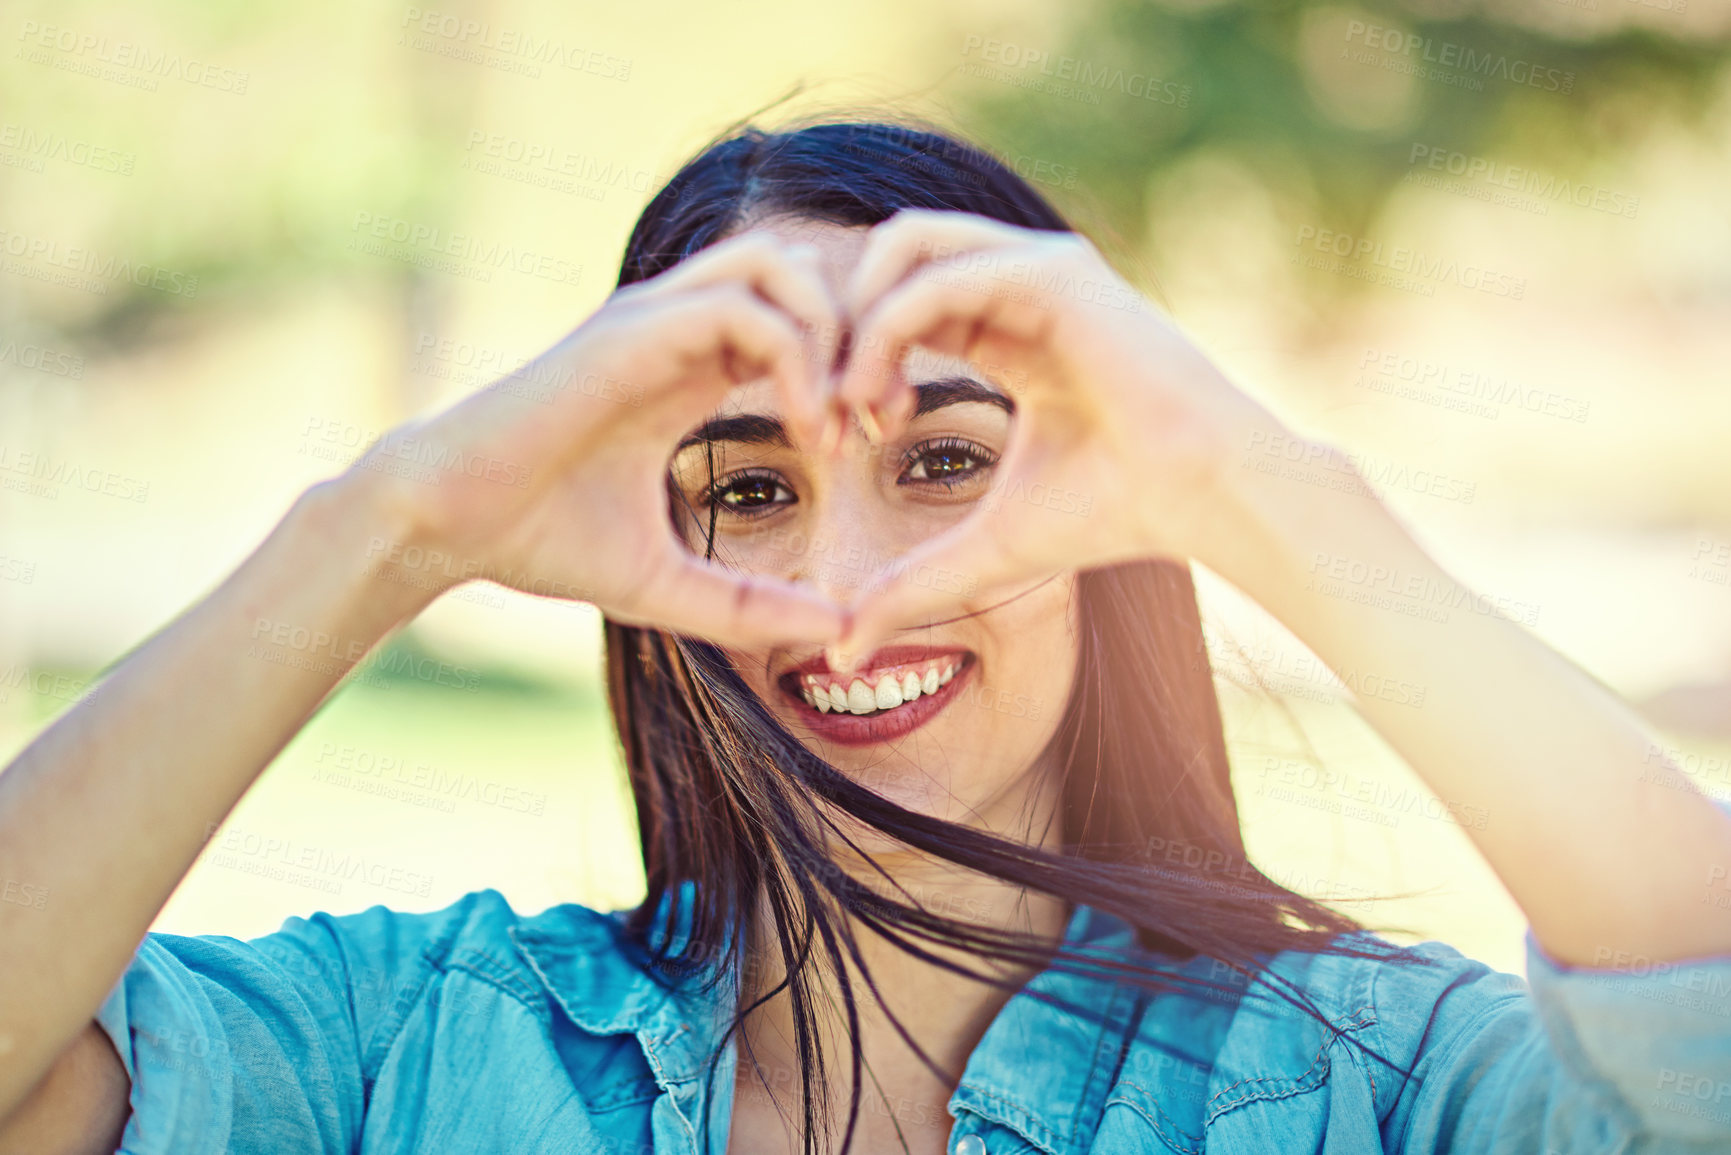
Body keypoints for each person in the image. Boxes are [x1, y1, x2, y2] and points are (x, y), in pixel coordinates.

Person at [1, 117, 1729, 1155]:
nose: (851, 582)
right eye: (747, 489)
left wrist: (1257, 488)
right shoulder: (417, 1038)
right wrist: (391, 526)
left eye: (949, 462)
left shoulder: (1374, 1080)